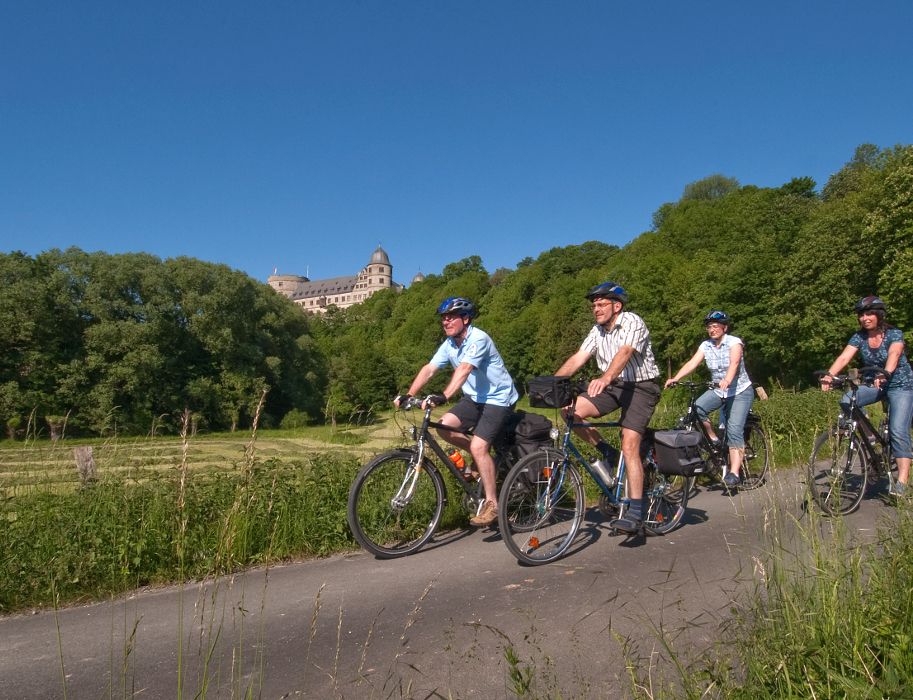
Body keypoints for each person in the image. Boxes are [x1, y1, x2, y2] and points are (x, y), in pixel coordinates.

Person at [395, 296, 519, 526]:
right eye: (443, 318)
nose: (446, 321)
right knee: (445, 426)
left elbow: (464, 369)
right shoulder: (450, 344)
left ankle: (492, 504)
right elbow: (430, 368)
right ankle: (483, 461)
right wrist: (410, 394)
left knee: (478, 446)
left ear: (466, 319)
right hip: (475, 399)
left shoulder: (478, 338)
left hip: (499, 399)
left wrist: (443, 396)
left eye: (451, 317)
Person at [555, 282, 661, 533]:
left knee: (630, 444)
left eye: (601, 304)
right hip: (614, 386)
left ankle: (636, 510)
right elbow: (579, 357)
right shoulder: (597, 331)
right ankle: (607, 452)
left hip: (641, 387)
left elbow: (625, 353)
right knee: (569, 410)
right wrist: (553, 383)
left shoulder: (633, 321)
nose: (596, 309)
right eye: (594, 305)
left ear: (617, 306)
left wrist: (605, 378)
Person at [819, 296, 913, 497]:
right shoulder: (859, 337)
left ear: (879, 315)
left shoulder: (894, 334)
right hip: (874, 385)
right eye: (861, 315)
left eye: (869, 313)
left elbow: (894, 354)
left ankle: (902, 481)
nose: (865, 318)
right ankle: (869, 438)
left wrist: (884, 373)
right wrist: (829, 375)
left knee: (898, 430)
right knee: (847, 400)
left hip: (900, 385)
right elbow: (844, 357)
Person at [664, 310, 754, 489]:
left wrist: (727, 380)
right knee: (697, 408)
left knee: (734, 428)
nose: (712, 330)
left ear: (724, 327)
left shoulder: (734, 342)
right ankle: (714, 439)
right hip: (719, 390)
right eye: (709, 327)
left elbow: (734, 363)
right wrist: (676, 378)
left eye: (715, 326)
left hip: (739, 391)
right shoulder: (706, 345)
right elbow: (692, 363)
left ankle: (734, 472)